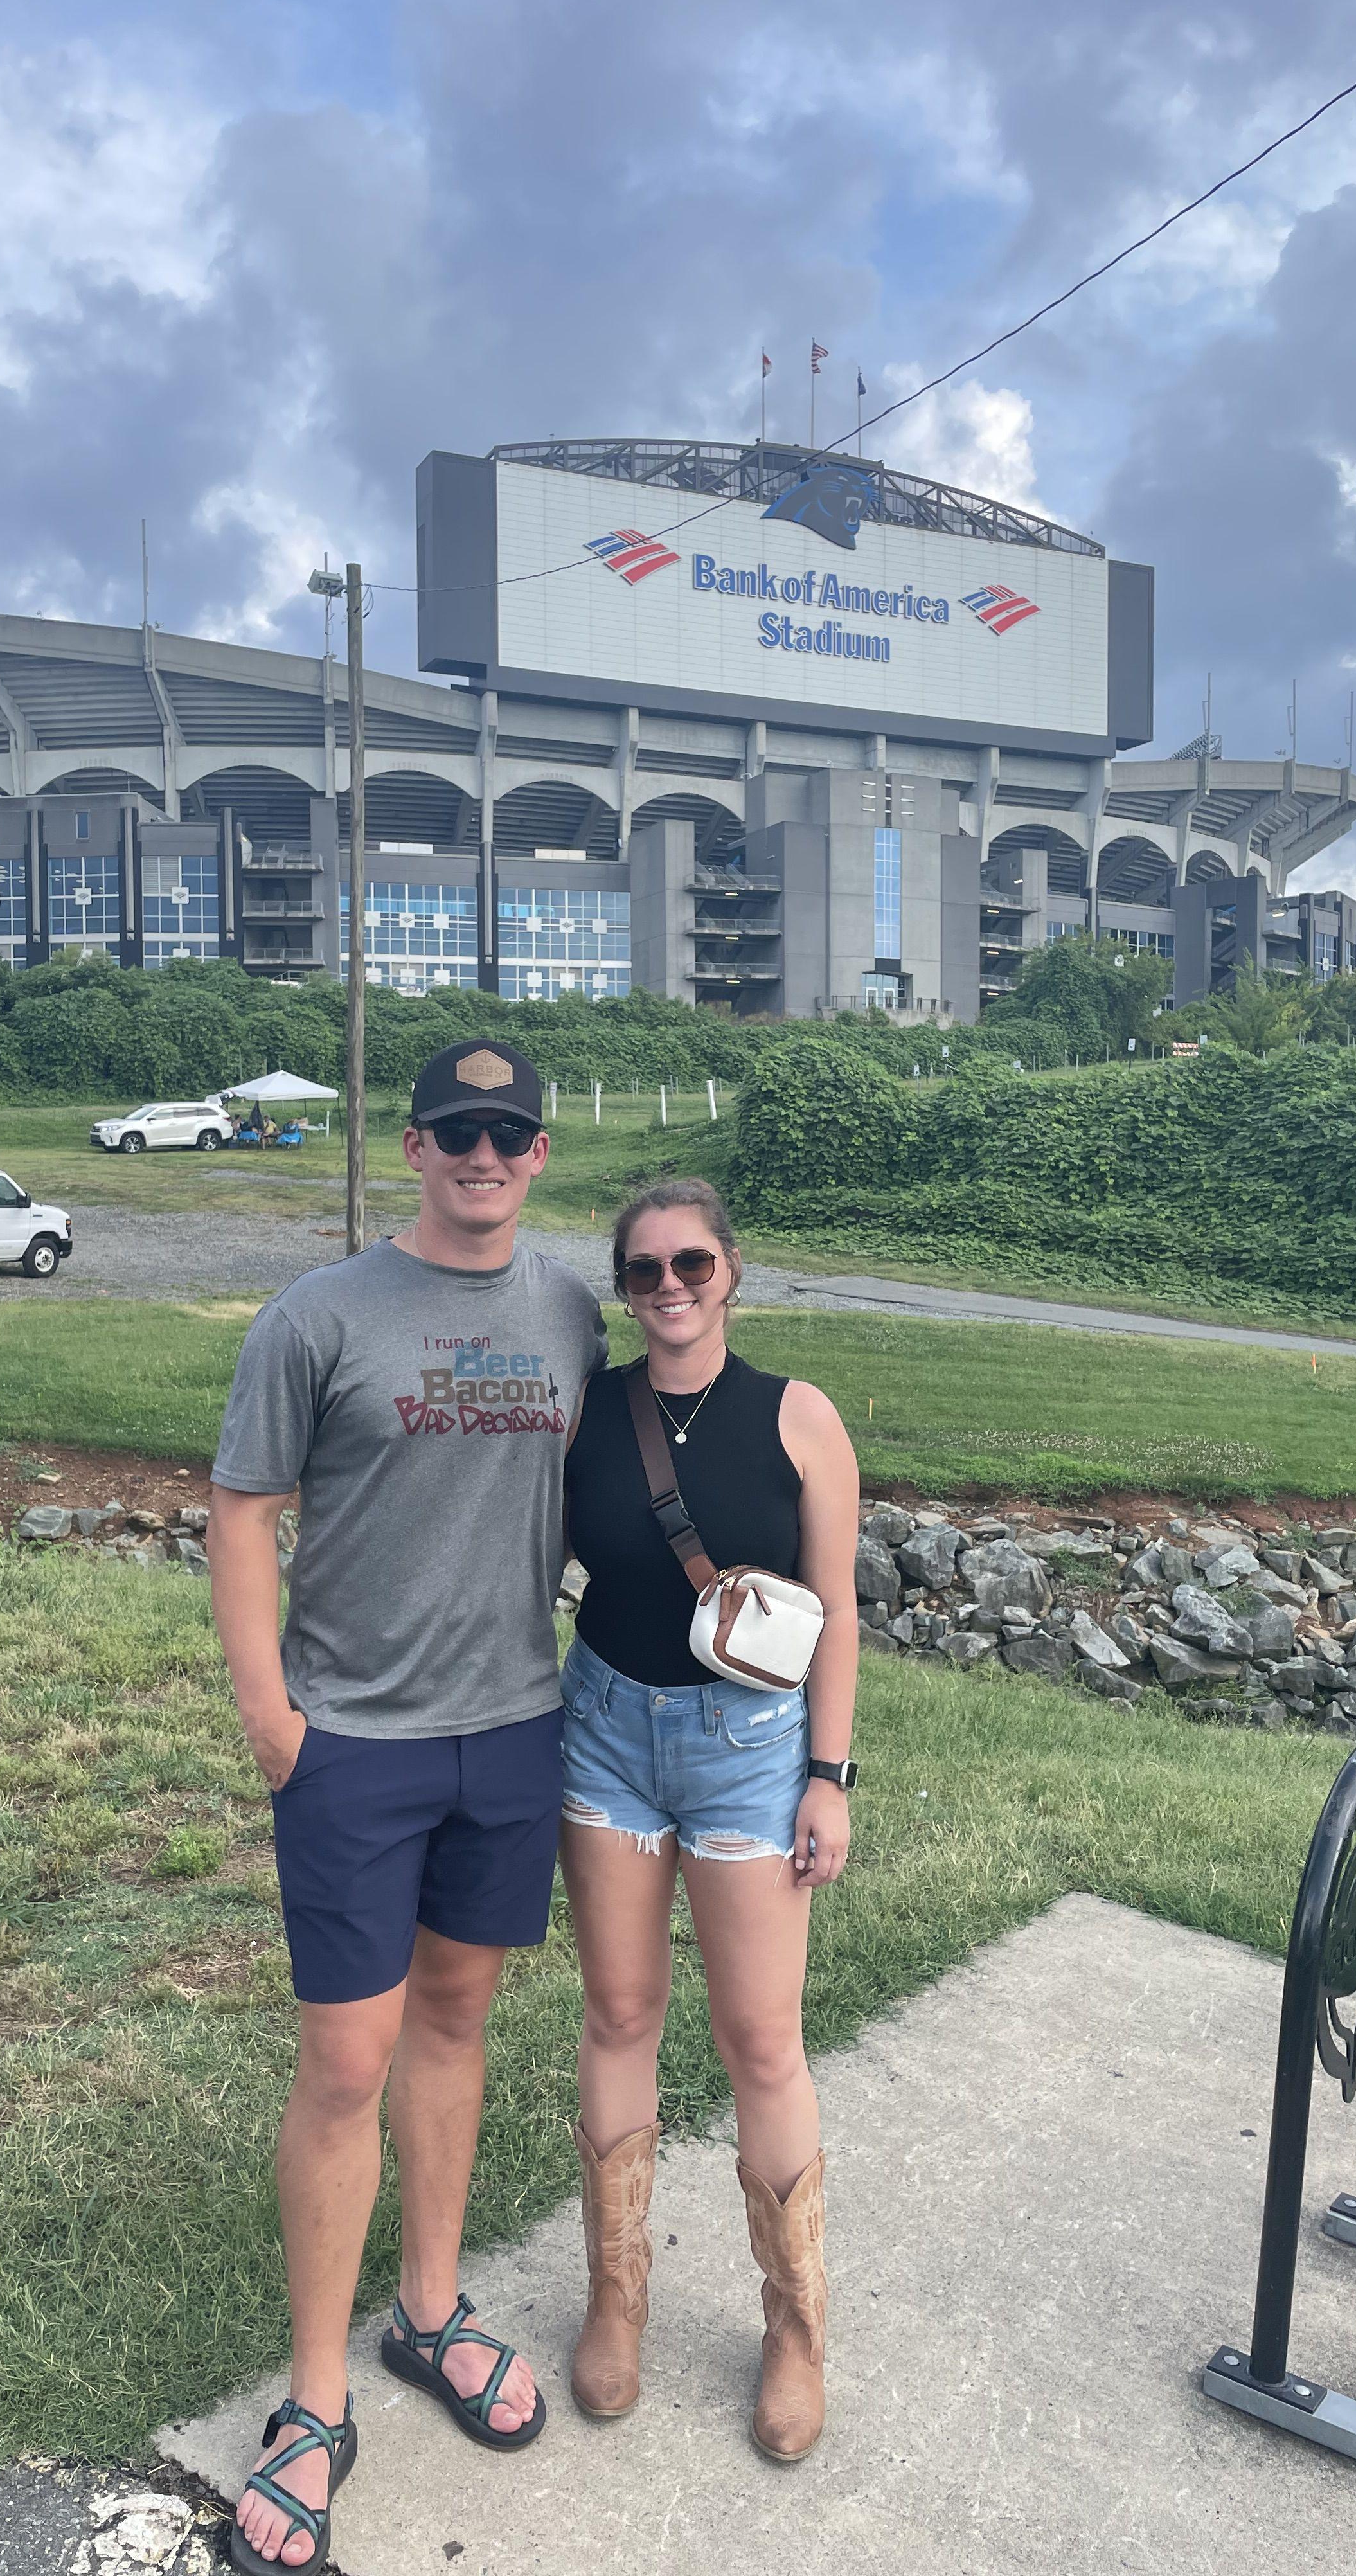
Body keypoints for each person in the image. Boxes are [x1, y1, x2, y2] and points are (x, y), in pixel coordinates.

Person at [204, 1039, 607, 2575]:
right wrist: (273, 1717)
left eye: (508, 1132)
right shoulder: (318, 1316)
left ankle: (428, 2312)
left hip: (509, 1730)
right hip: (355, 1745)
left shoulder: (570, 1312)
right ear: (416, 1144)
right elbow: (245, 1509)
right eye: (457, 1131)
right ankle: (316, 2402)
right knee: (345, 2061)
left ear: (539, 1153)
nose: (482, 1154)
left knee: (454, 2021)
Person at [557, 1177, 861, 2461]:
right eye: (645, 1271)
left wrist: (829, 1775)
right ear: (624, 1289)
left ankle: (795, 2328)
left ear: (732, 1270)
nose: (670, 1288)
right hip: (605, 1737)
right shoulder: (590, 1411)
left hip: (750, 1753)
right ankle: (616, 2297)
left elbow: (836, 1611)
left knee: (762, 2040)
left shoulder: (799, 1418)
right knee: (620, 2012)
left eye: (691, 1264)